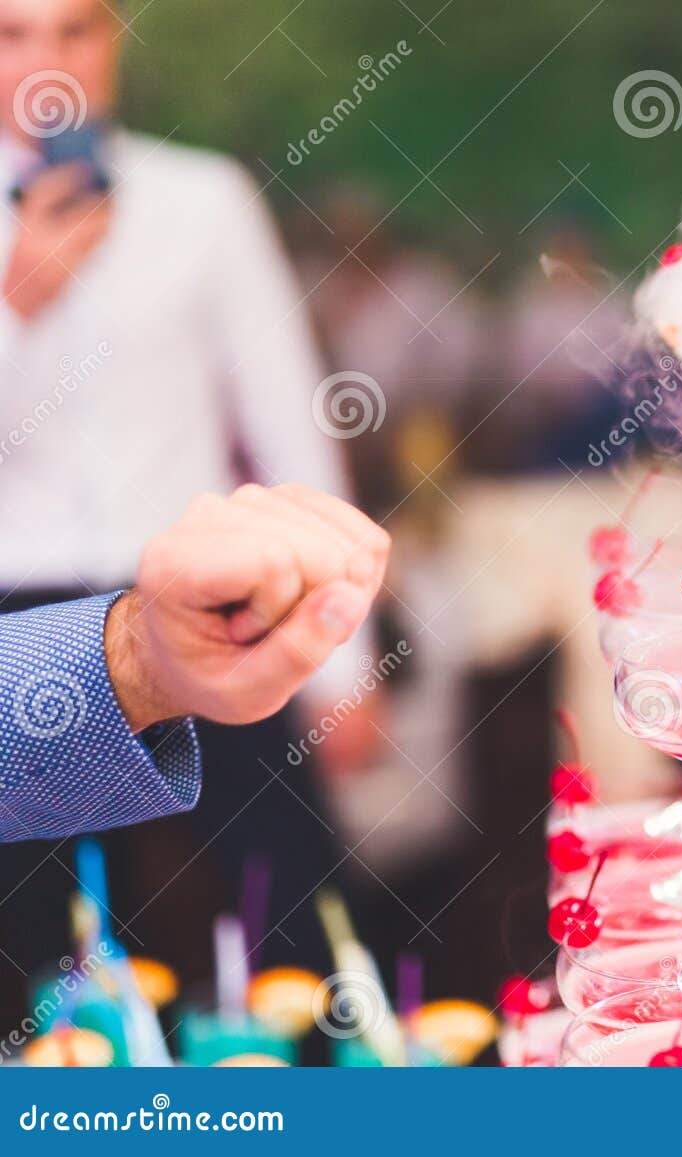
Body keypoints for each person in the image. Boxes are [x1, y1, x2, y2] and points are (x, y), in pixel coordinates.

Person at [0, 0, 375, 1011]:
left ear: (113, 39)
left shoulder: (203, 199)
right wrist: (15, 301)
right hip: (15, 621)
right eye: (13, 34)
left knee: (294, 910)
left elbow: (290, 420)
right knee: (43, 951)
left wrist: (345, 660)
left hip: (201, 593)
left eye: (74, 30)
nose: (47, 61)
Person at [1, 484, 389, 843]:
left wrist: (340, 674)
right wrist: (136, 658)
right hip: (25, 596)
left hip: (226, 587)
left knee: (271, 861)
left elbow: (287, 435)